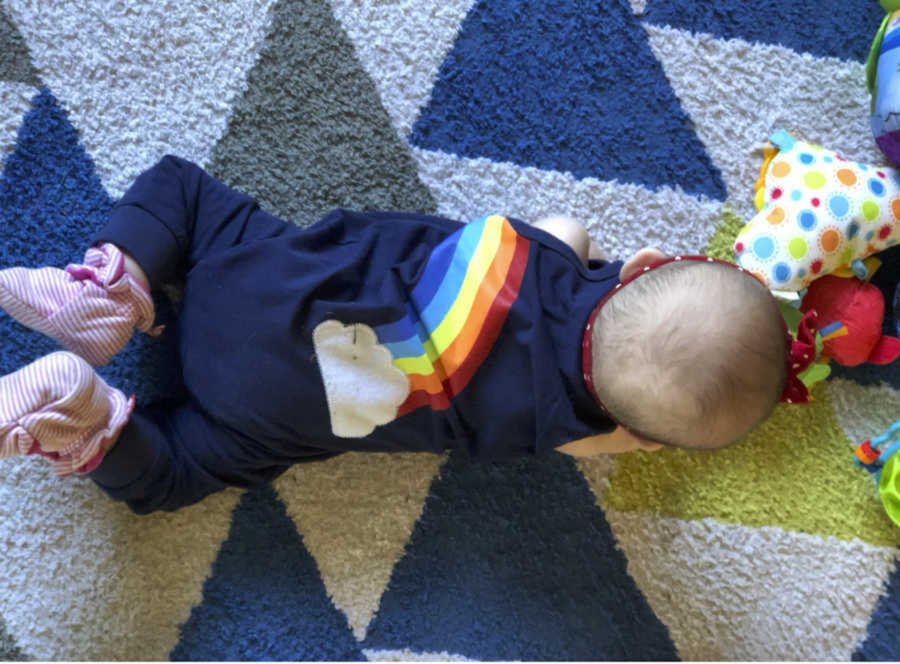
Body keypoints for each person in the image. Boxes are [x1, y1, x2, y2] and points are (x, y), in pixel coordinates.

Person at [0, 156, 792, 514]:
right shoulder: (560, 428)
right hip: (270, 403)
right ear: (644, 439)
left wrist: (577, 252)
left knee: (183, 192)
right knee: (171, 475)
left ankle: (115, 284)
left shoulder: (543, 253)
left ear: (641, 265)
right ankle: (95, 422)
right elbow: (602, 443)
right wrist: (623, 437)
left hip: (264, 282)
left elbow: (571, 227)